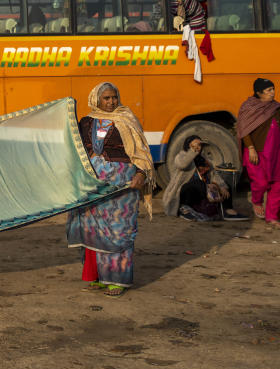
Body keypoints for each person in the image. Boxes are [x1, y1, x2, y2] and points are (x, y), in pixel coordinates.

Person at [67, 82, 154, 297]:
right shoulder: (86, 122)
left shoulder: (128, 120)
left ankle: (117, 280)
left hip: (121, 188)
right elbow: (75, 150)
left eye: (114, 97)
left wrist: (141, 174)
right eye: (106, 98)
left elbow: (141, 151)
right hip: (92, 185)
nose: (111, 102)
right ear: (96, 100)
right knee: (92, 229)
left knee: (118, 230)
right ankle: (96, 276)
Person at [163, 136, 248, 221]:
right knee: (198, 183)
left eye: (199, 145)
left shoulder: (204, 160)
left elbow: (214, 175)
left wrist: (222, 186)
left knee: (225, 184)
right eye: (194, 145)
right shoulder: (181, 156)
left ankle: (227, 211)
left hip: (203, 190)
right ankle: (183, 209)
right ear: (188, 146)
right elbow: (182, 164)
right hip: (184, 192)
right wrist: (192, 151)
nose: (198, 147)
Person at [237, 77, 280, 227]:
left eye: (273, 89)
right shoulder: (249, 107)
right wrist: (250, 148)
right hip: (255, 152)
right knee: (260, 183)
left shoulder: (275, 107)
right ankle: (257, 201)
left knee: (277, 185)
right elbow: (244, 129)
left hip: (274, 153)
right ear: (259, 92)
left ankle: (272, 217)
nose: (273, 93)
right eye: (269, 90)